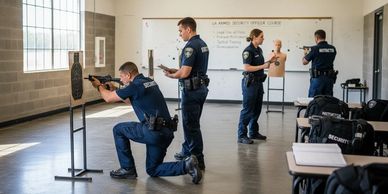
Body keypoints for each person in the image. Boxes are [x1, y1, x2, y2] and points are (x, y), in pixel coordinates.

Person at [88, 61, 202, 184]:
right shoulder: (148, 81)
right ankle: (187, 165)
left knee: (118, 129)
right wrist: (114, 89)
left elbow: (108, 98)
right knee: (152, 169)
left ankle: (127, 169)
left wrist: (98, 86)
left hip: (153, 132)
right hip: (166, 132)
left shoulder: (134, 86)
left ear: (129, 74)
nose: (120, 78)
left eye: (122, 76)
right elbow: (131, 99)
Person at [163, 17, 209, 170]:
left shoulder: (190, 47)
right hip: (200, 88)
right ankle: (187, 151)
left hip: (192, 91)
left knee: (191, 125)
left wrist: (171, 75)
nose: (180, 34)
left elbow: (185, 73)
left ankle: (197, 159)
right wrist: (176, 70)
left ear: (188, 29)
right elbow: (190, 70)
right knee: (191, 123)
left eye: (181, 30)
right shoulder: (202, 44)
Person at [237, 29, 276, 144]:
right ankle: (241, 135)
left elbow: (260, 65)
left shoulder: (259, 50)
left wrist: (269, 62)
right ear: (254, 37)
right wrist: (263, 66)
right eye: (261, 36)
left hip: (258, 83)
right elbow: (247, 67)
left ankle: (253, 132)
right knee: (247, 110)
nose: (263, 38)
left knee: (257, 109)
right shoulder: (248, 51)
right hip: (250, 84)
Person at [302, 29, 337, 97]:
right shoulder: (333, 48)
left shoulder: (314, 49)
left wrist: (305, 53)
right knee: (328, 101)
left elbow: (304, 62)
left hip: (318, 79)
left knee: (314, 101)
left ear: (316, 38)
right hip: (329, 79)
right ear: (324, 37)